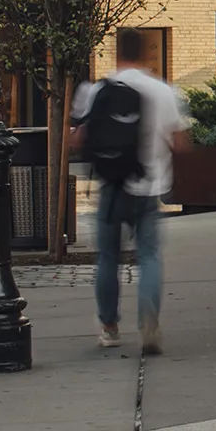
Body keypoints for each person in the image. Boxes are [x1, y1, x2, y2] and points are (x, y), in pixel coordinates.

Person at [72, 29, 188, 355]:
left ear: (116, 51)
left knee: (108, 258)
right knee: (149, 256)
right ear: (146, 52)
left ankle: (109, 327)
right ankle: (148, 320)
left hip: (111, 187)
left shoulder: (96, 91)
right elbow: (180, 143)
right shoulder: (163, 91)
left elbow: (77, 140)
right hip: (149, 188)